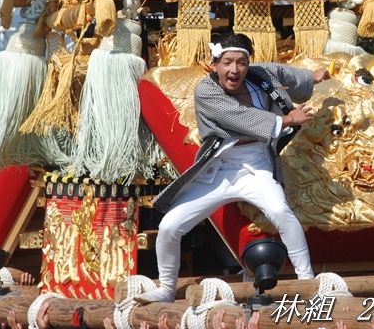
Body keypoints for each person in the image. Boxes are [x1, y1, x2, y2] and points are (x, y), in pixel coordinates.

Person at [137, 32, 329, 303]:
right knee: (170, 226)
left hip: (256, 165)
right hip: (218, 169)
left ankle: (307, 281)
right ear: (215, 64)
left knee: (280, 211)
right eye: (227, 62)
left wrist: (311, 78)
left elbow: (286, 75)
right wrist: (286, 120)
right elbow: (239, 118)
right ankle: (166, 289)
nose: (234, 70)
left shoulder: (260, 75)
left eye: (241, 62)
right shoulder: (206, 90)